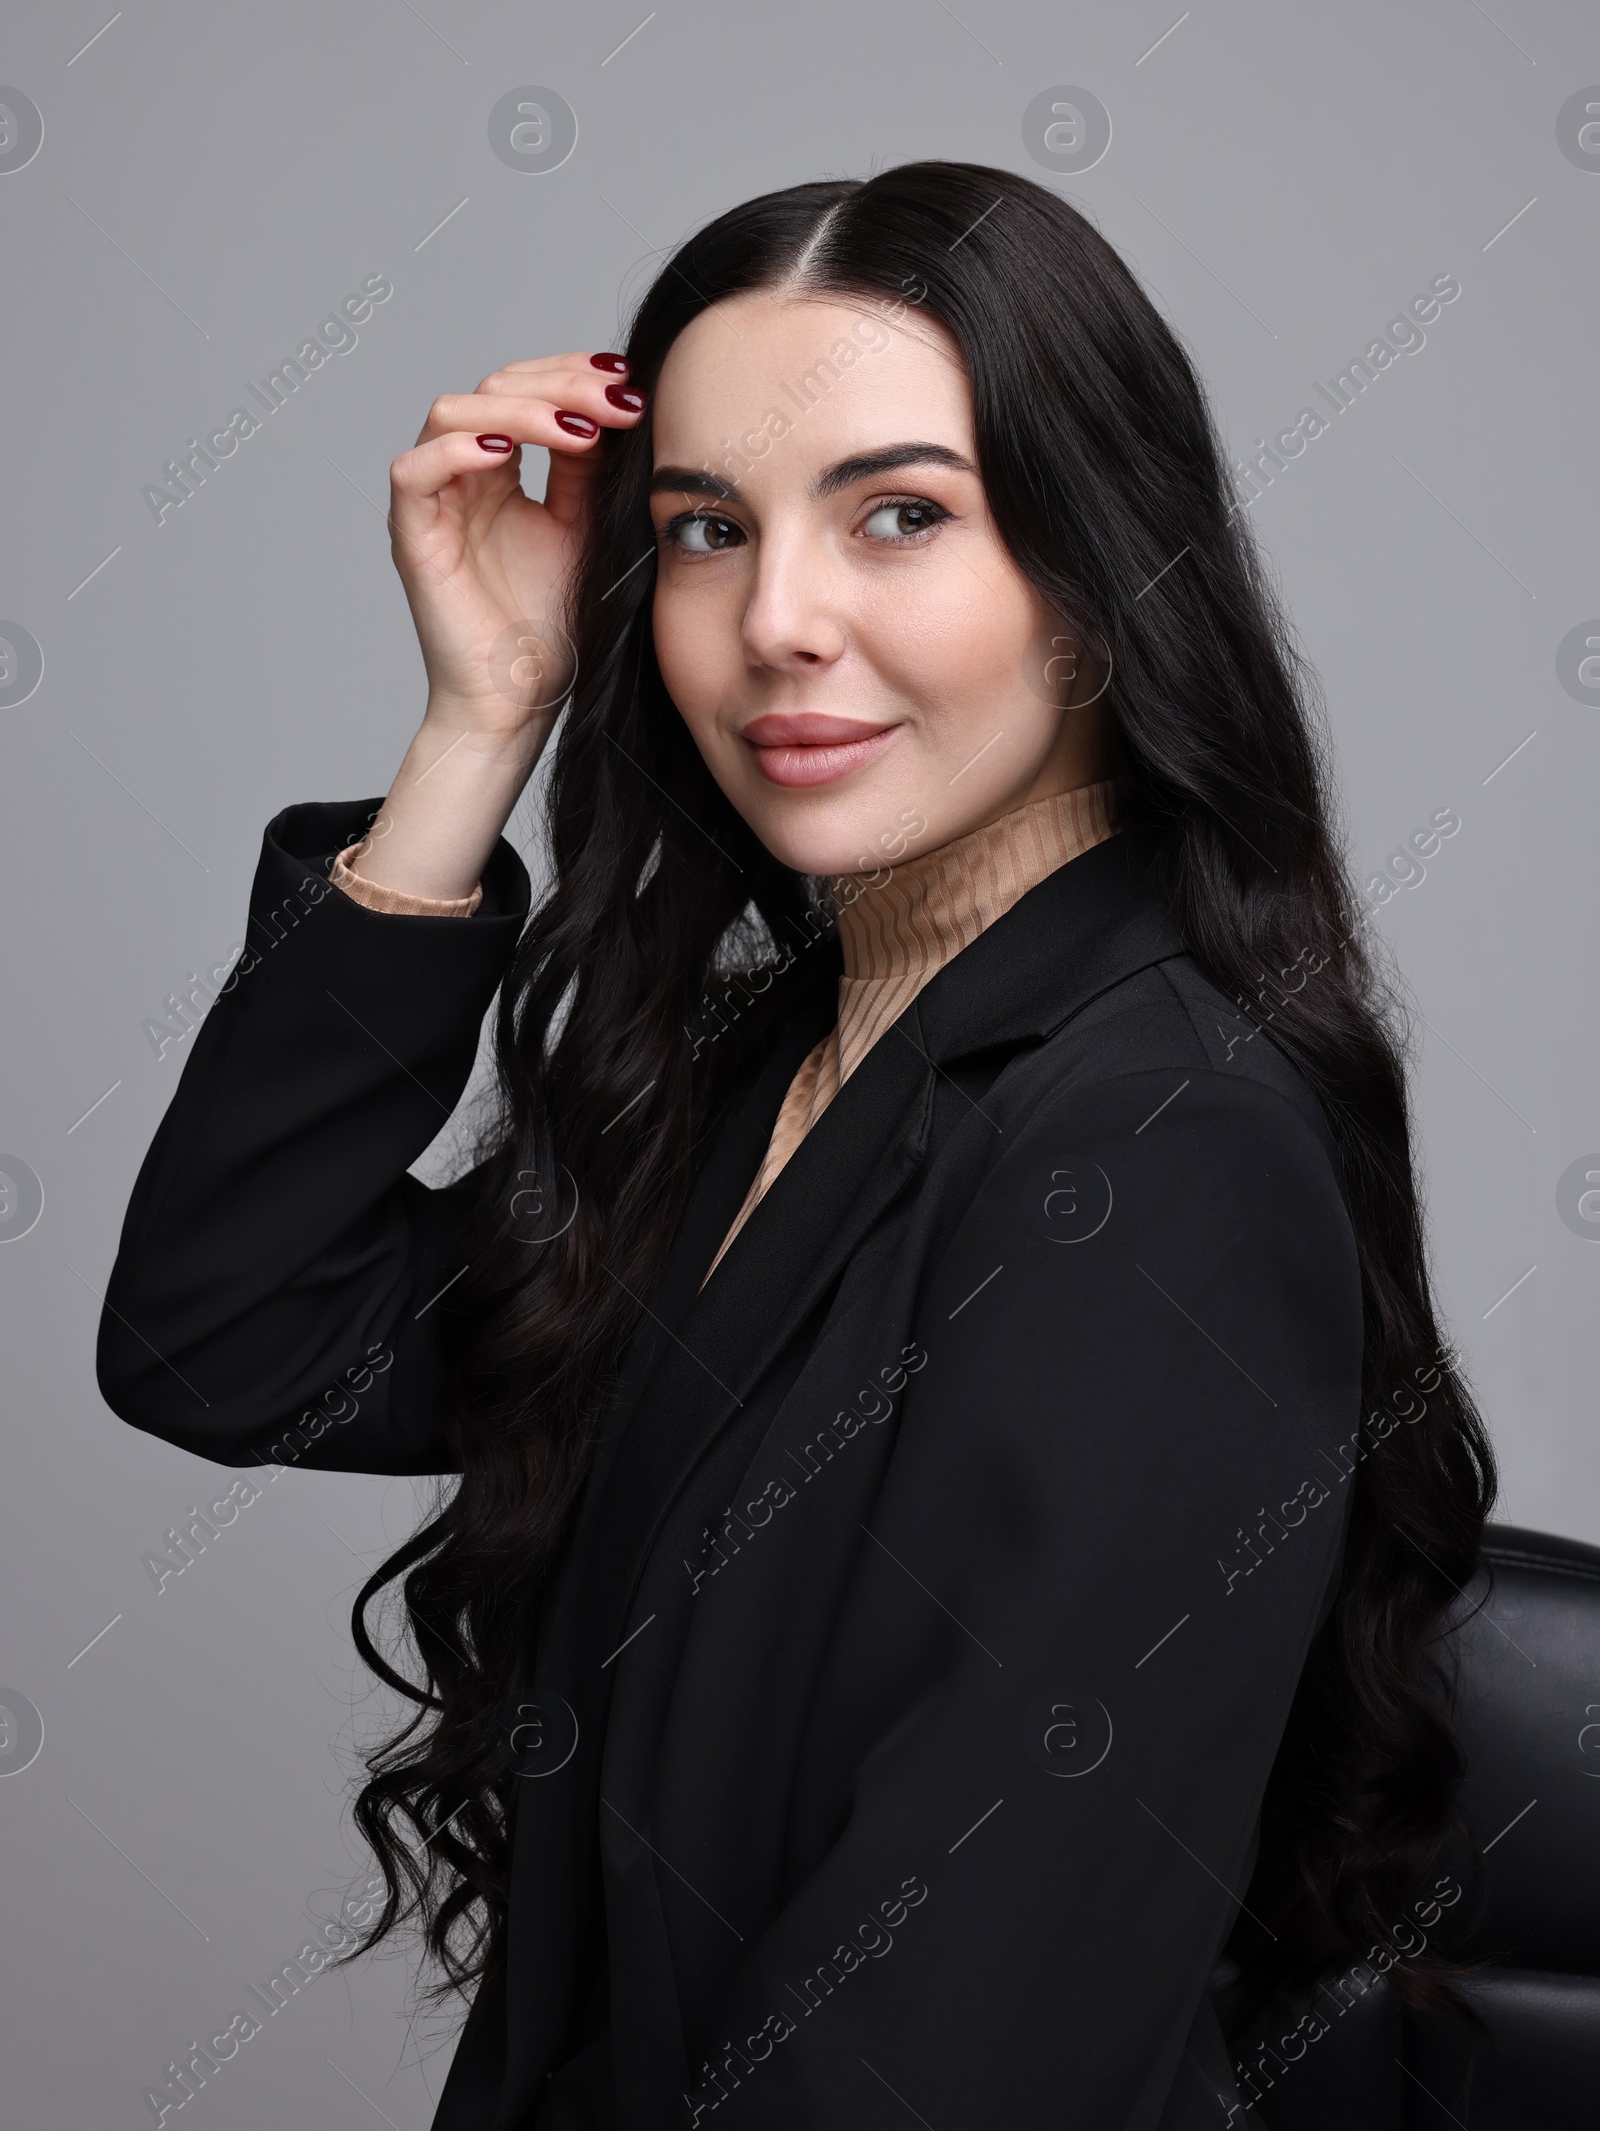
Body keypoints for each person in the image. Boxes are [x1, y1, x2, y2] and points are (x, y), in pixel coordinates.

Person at [97, 160, 1495, 2129]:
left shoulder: (1155, 1138)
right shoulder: (773, 1061)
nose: (775, 621)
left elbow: (950, 2041)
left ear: (1102, 583)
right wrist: (475, 728)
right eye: (698, 530)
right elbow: (221, 1333)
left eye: (899, 516)